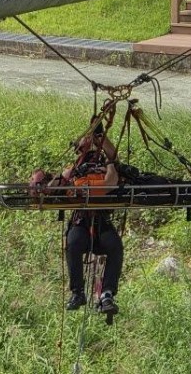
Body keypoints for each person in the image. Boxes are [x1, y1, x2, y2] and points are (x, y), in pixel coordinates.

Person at [58, 129, 124, 315]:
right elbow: (60, 182)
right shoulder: (74, 168)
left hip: (101, 220)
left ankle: (107, 294)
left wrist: (100, 139)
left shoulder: (107, 164)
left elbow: (111, 179)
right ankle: (77, 292)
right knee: (73, 244)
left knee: (114, 246)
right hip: (82, 220)